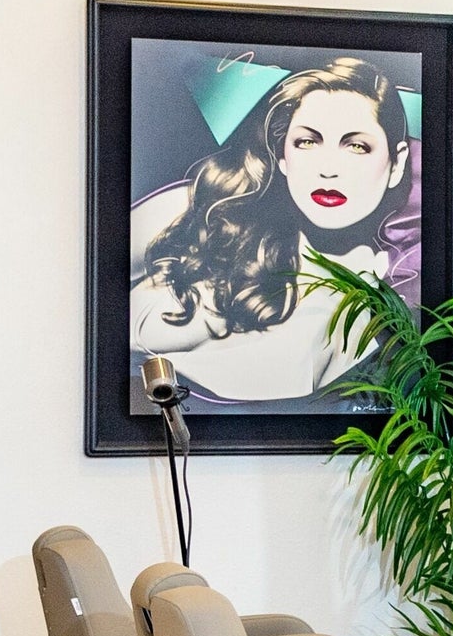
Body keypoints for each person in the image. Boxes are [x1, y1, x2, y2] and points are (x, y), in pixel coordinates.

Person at [129, 56, 419, 405]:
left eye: (356, 145)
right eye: (307, 142)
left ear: (397, 162)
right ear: (282, 156)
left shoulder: (384, 315)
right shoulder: (208, 210)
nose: (328, 169)